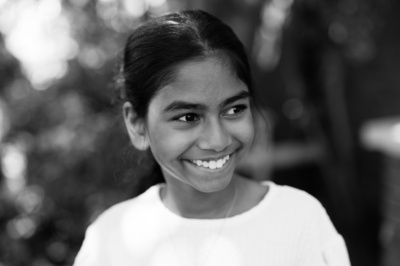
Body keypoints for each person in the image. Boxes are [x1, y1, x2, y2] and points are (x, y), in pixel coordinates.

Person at [73, 10, 351, 266]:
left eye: (234, 109)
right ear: (137, 125)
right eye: (188, 117)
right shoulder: (108, 241)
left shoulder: (299, 220)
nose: (218, 141)